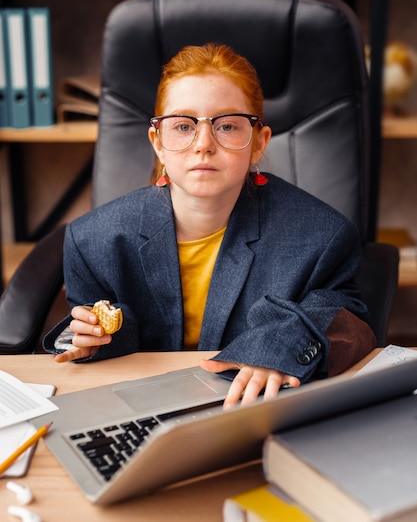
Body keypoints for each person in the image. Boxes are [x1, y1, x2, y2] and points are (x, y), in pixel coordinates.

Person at [43, 43, 376, 408]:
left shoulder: (322, 236)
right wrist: (93, 338)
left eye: (228, 126)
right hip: (136, 402)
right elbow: (105, 340)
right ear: (158, 143)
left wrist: (279, 349)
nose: (203, 144)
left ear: (258, 144)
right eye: (183, 126)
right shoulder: (92, 241)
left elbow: (348, 323)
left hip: (251, 407)